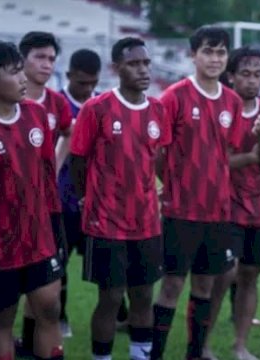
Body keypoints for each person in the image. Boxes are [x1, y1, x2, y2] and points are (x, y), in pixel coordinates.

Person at [70, 37, 169, 360]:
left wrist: (161, 186)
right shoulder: (96, 109)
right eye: (133, 64)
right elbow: (78, 160)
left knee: (143, 296)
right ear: (116, 68)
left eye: (145, 63)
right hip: (106, 222)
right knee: (111, 297)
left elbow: (157, 156)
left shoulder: (157, 110)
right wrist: (87, 198)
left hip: (146, 222)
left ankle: (140, 356)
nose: (143, 70)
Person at [151, 26, 243, 360]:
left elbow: (224, 153)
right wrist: (175, 185)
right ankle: (156, 354)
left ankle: (195, 353)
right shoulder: (173, 97)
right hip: (180, 212)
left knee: (205, 286)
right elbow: (157, 153)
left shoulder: (231, 100)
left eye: (221, 52)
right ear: (193, 55)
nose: (215, 58)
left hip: (217, 212)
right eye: (208, 51)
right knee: (173, 286)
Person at [0, 40, 64, 360]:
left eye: (22, 69)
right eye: (14, 72)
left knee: (49, 310)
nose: (24, 77)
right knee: (1, 323)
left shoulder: (36, 114)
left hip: (40, 239)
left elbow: (48, 176)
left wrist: (55, 226)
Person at [203, 47, 260, 360]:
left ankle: (240, 346)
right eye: (246, 74)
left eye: (258, 74)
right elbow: (210, 161)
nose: (252, 81)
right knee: (223, 275)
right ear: (231, 76)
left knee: (250, 275)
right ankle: (204, 345)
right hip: (225, 207)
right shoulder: (220, 110)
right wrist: (249, 158)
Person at [56, 48, 131, 336]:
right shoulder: (57, 105)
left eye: (92, 83)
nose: (88, 89)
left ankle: (122, 316)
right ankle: (61, 318)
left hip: (99, 204)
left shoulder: (103, 105)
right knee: (59, 264)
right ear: (69, 76)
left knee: (109, 264)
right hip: (63, 201)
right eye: (82, 83)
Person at [17, 31, 72, 353]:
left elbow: (69, 131)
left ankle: (28, 342)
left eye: (51, 58)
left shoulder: (56, 102)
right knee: (4, 293)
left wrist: (54, 161)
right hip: (11, 209)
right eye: (40, 57)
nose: (47, 64)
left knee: (43, 286)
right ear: (22, 60)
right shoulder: (8, 101)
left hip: (46, 207)